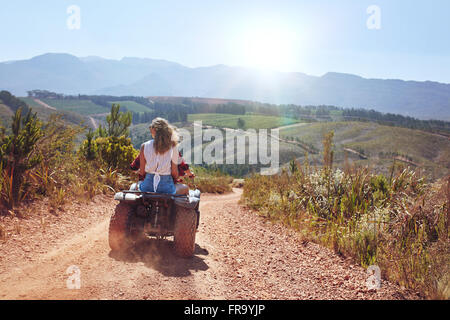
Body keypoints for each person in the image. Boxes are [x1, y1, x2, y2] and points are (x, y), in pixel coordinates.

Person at [138, 118, 190, 195]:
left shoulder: (144, 146)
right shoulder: (173, 147)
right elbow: (174, 173)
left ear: (154, 130)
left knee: (137, 185)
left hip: (147, 187)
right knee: (185, 188)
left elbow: (142, 172)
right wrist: (176, 178)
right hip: (167, 188)